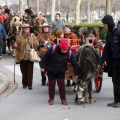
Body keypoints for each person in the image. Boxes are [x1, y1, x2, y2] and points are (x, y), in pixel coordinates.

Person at [40, 38, 79, 105]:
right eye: (63, 50)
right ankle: (51, 98)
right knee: (52, 84)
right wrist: (42, 66)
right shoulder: (53, 49)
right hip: (51, 69)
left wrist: (76, 74)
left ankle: (63, 99)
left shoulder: (69, 53)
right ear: (60, 47)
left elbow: (75, 63)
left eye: (65, 49)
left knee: (61, 84)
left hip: (61, 70)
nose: (64, 51)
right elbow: (45, 58)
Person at [98, 15, 120, 108]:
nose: (104, 26)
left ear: (109, 23)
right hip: (115, 60)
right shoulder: (109, 34)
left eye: (105, 24)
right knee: (115, 80)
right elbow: (106, 49)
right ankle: (117, 100)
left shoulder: (118, 32)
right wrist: (101, 62)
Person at [14, 24, 39, 90]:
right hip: (22, 56)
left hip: (30, 56)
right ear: (23, 29)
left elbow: (37, 43)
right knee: (23, 71)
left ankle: (30, 85)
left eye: (28, 28)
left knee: (30, 71)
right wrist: (15, 45)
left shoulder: (32, 36)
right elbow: (16, 45)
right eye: (25, 28)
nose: (27, 29)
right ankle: (24, 83)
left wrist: (35, 49)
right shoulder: (19, 37)